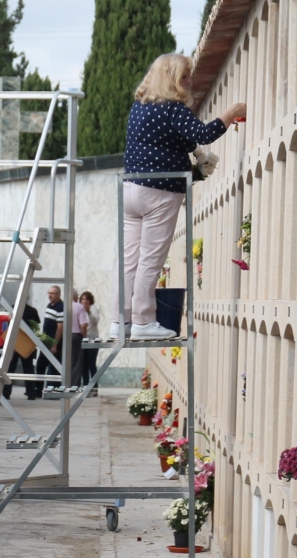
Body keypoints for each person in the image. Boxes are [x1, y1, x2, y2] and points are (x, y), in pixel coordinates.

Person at [116, 53, 245, 340]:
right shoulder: (173, 109)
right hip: (159, 193)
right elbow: (203, 133)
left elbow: (183, 140)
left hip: (131, 190)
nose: (190, 81)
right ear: (172, 80)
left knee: (129, 259)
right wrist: (231, 112)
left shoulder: (140, 107)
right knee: (150, 259)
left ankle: (120, 320)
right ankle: (143, 322)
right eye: (185, 76)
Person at [35, 285, 64, 394]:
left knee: (54, 367)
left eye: (52, 293)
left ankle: (54, 390)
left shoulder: (61, 307)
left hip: (53, 342)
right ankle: (38, 389)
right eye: (49, 293)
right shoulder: (49, 305)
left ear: (58, 295)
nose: (50, 295)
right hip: (46, 341)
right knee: (40, 365)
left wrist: (54, 344)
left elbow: (60, 327)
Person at [13, 302, 42, 400]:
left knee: (10, 368)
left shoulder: (12, 308)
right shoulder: (32, 310)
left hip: (14, 341)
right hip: (27, 341)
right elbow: (36, 326)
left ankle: (5, 392)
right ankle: (31, 393)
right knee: (28, 368)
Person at [80, 291, 101, 394]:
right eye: (83, 299)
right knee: (83, 365)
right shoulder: (79, 309)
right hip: (83, 340)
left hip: (92, 340)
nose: (85, 301)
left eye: (86, 299)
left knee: (91, 364)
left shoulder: (93, 308)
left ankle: (94, 387)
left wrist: (88, 312)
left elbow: (95, 321)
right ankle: (85, 386)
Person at [68, 291, 89, 388]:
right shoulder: (79, 307)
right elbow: (83, 324)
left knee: (67, 361)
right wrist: (84, 337)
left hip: (65, 336)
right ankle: (74, 385)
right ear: (76, 297)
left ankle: (65, 383)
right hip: (76, 335)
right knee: (76, 362)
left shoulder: (64, 306)